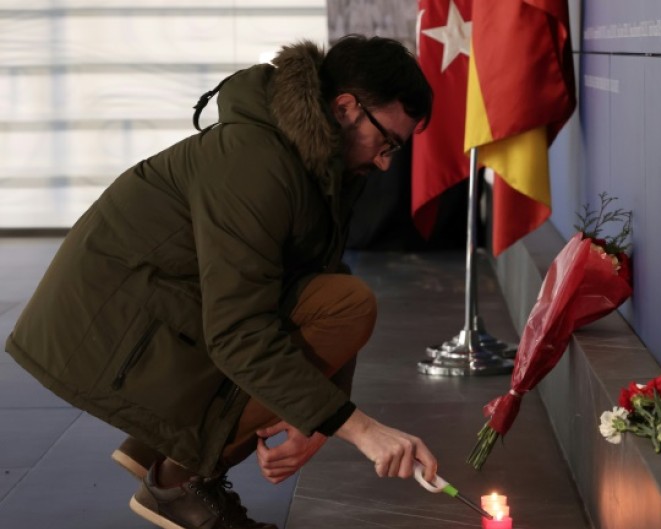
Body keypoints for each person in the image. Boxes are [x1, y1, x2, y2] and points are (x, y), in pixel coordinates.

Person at [4, 35, 437, 529]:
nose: (386, 162)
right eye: (389, 142)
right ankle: (177, 482)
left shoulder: (318, 160)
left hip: (149, 309)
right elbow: (236, 332)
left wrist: (317, 421)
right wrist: (359, 429)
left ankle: (161, 439)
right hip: (99, 331)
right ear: (344, 108)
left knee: (342, 301)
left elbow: (321, 283)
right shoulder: (258, 161)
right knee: (335, 309)